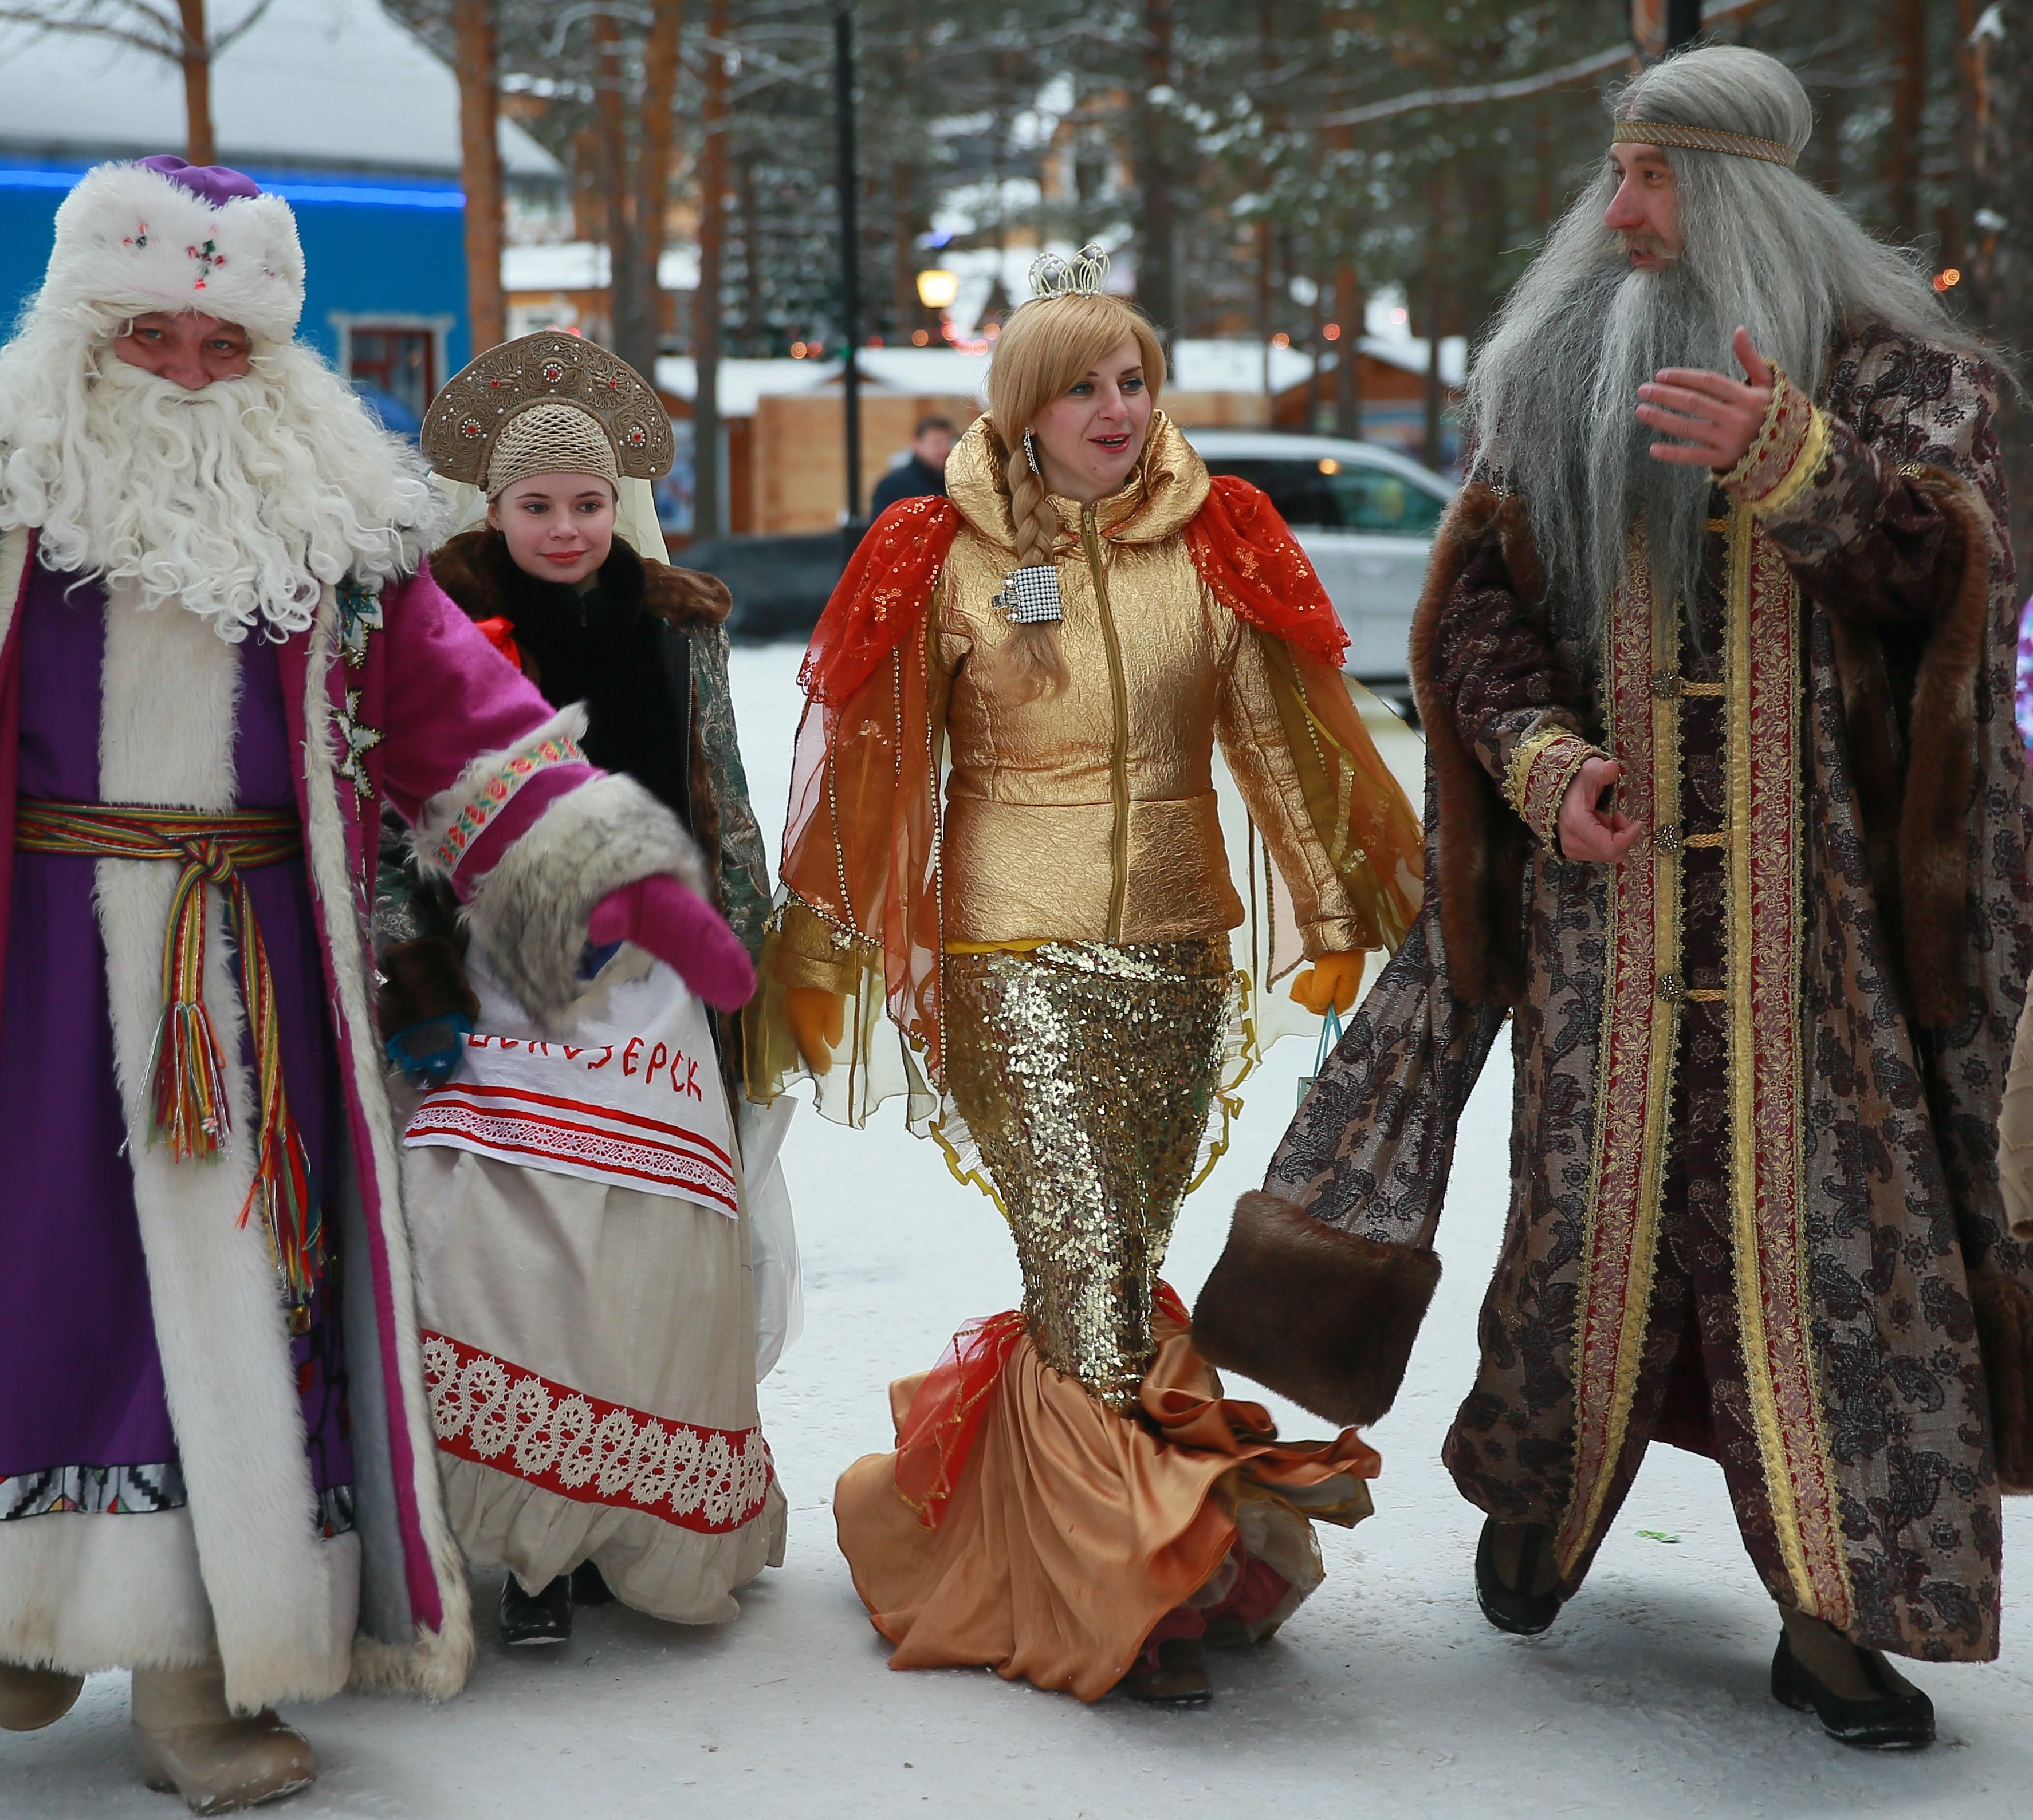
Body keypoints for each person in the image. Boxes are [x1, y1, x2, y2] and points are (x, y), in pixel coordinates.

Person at [0, 158, 752, 1811]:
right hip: (20, 971)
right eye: (149, 331)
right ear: (79, 319)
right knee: (33, 1288)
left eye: (220, 341)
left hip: (253, 978)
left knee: (243, 1313)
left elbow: (464, 728)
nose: (183, 368)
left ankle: (192, 1671)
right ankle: (22, 1596)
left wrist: (609, 872)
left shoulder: (339, 525)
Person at [1193, 46, 2033, 1751]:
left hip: (1834, 957)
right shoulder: (1554, 374)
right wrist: (1538, 763)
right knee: (1584, 1234)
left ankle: (1832, 1610)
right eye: (1615, 169)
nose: (1618, 204)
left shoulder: (1903, 374)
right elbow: (1478, 620)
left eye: (1654, 175)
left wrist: (1796, 468)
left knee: (1840, 1265)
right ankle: (1540, 1494)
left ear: (1737, 195)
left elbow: (1946, 585)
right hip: (1610, 925)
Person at [749, 247, 1417, 1707]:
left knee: (1113, 1260)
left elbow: (1281, 742)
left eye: (1133, 382)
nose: (1117, 410)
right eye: (1083, 387)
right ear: (1024, 406)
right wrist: (822, 951)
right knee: (1088, 1278)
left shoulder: (1214, 539)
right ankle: (1131, 1595)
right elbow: (873, 772)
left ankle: (1040, 1534)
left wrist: (1336, 911)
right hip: (1007, 958)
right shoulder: (941, 553)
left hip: (1179, 959)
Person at [374, 330, 788, 1648]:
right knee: (501, 1259)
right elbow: (399, 808)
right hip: (494, 990)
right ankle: (524, 1545)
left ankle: (628, 1530)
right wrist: (414, 973)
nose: (567, 527)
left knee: (654, 1259)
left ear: (625, 506)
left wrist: (752, 951)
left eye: (591, 503)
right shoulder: (429, 619)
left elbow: (717, 795)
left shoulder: (678, 625)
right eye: (537, 505)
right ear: (490, 509)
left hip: (662, 991)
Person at [867, 415, 957, 518]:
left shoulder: (953, 484)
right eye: (937, 443)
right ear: (917, 444)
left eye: (949, 442)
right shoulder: (894, 485)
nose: (945, 449)